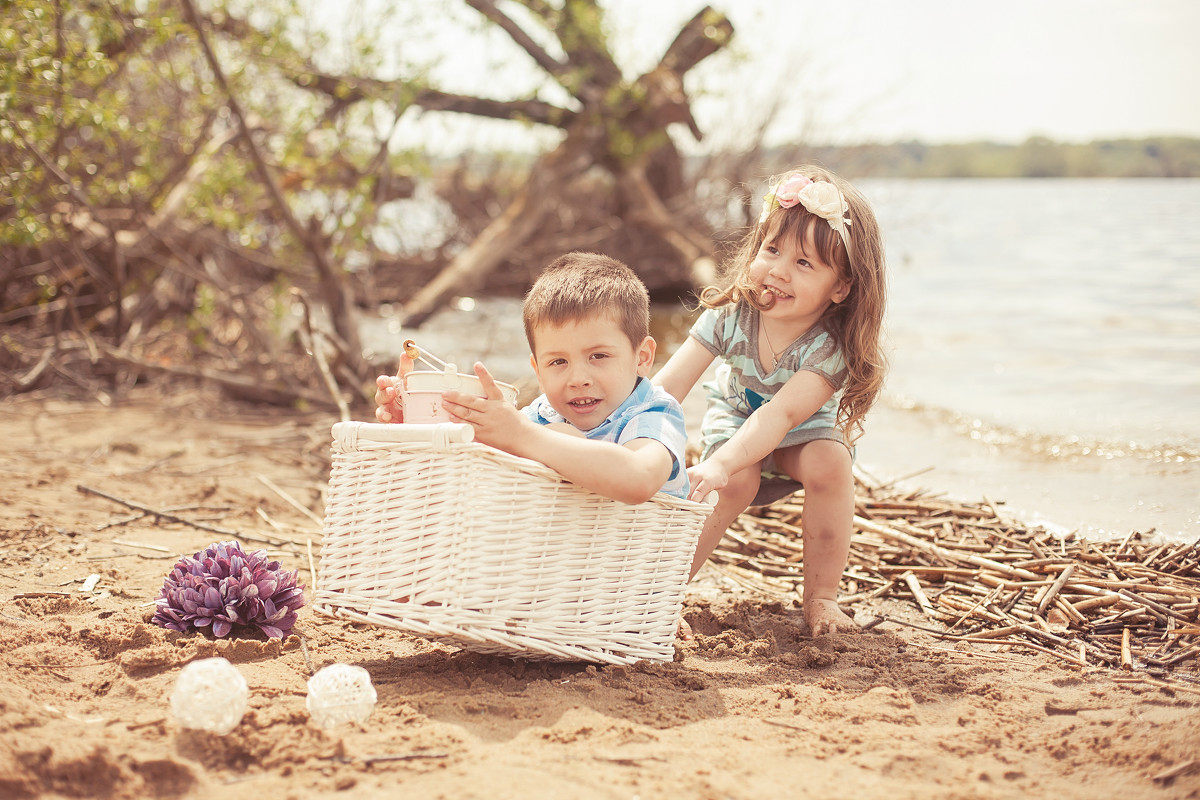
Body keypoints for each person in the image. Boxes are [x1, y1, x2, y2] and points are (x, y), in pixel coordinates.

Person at [654, 165, 887, 637]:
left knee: (831, 462)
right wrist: (624, 432)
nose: (778, 270)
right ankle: (661, 590)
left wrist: (720, 463)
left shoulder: (828, 347)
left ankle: (822, 598)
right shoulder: (732, 316)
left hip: (800, 430)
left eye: (804, 264)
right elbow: (666, 389)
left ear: (840, 287)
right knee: (734, 479)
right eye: (772, 249)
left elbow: (782, 415)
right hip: (737, 417)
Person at [374, 252, 690, 503]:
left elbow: (638, 479)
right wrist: (419, 421)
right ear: (537, 371)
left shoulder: (653, 413)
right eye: (558, 362)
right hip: (546, 572)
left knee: (559, 436)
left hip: (631, 572)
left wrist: (523, 436)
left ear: (642, 358)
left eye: (599, 356)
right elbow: (467, 475)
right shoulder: (541, 416)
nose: (578, 378)